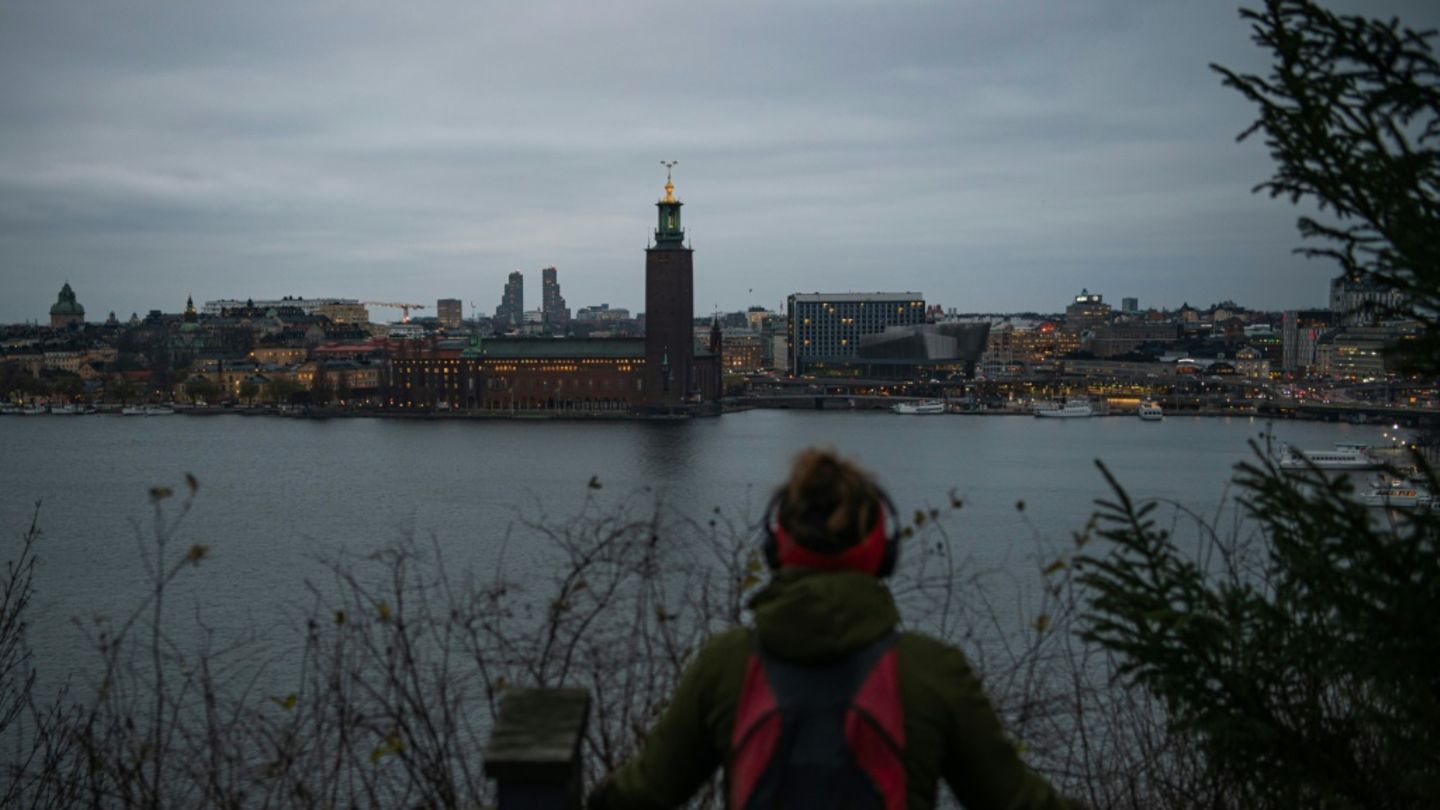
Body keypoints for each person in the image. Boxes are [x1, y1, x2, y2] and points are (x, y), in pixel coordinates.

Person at [587, 448, 1075, 810]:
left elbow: (641, 796)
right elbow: (1019, 802)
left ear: (778, 549)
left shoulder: (726, 665)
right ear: (882, 553)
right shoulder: (931, 672)